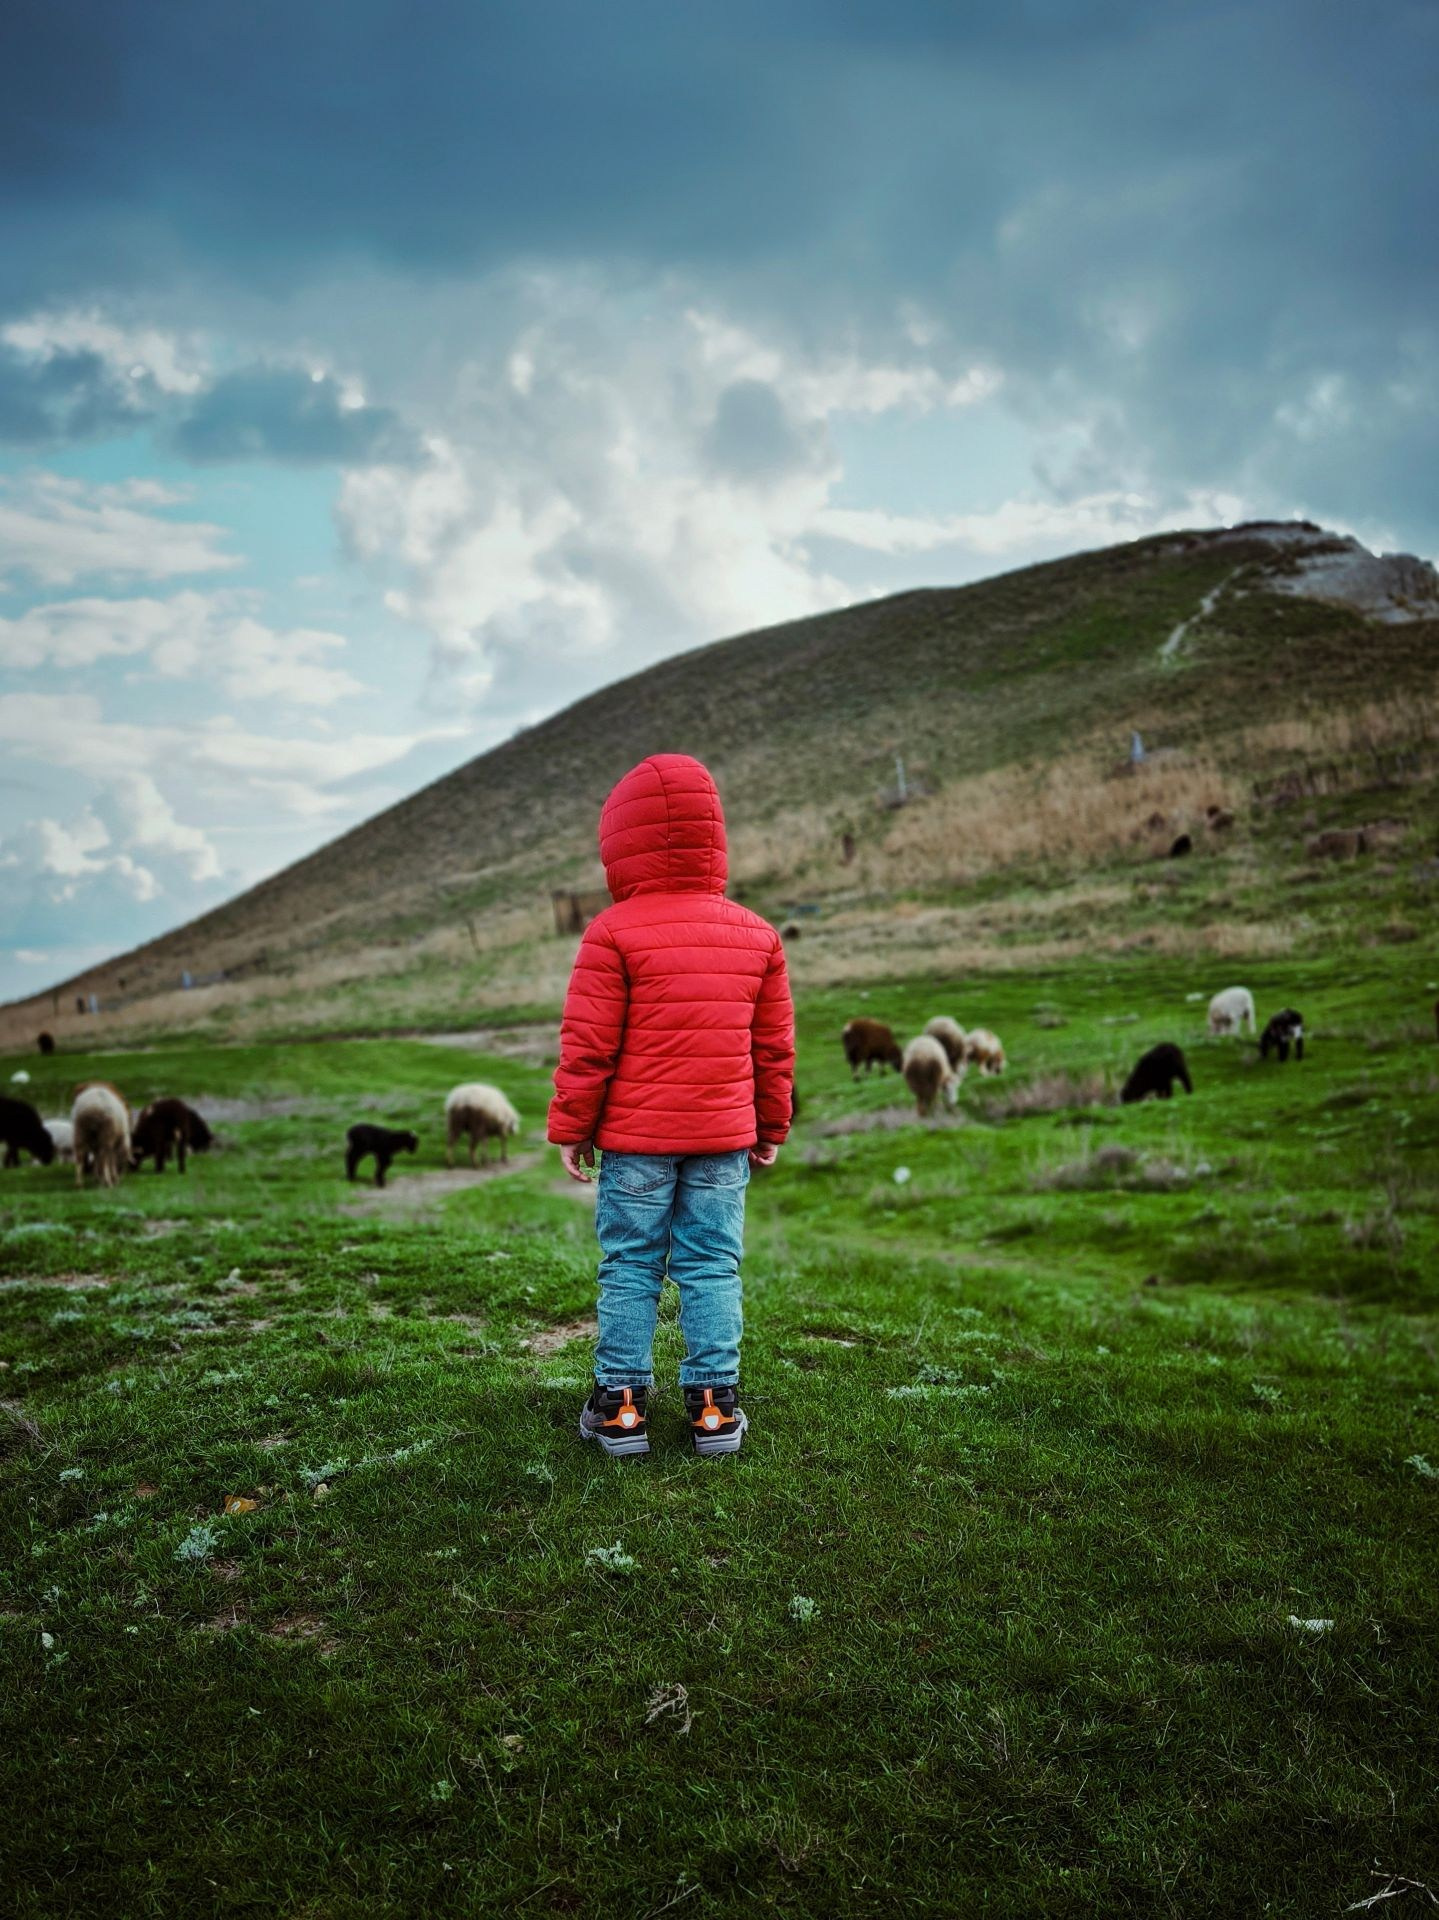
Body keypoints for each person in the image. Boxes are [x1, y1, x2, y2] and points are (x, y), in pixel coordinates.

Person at [548, 753, 795, 1458]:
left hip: (635, 1143)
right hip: (721, 1139)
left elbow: (587, 1046)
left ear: (621, 842)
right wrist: (770, 1123)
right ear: (711, 837)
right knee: (712, 1264)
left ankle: (620, 1408)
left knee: (630, 1264)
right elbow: (772, 1048)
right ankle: (714, 1409)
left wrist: (573, 1126)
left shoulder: (611, 932)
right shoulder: (756, 934)